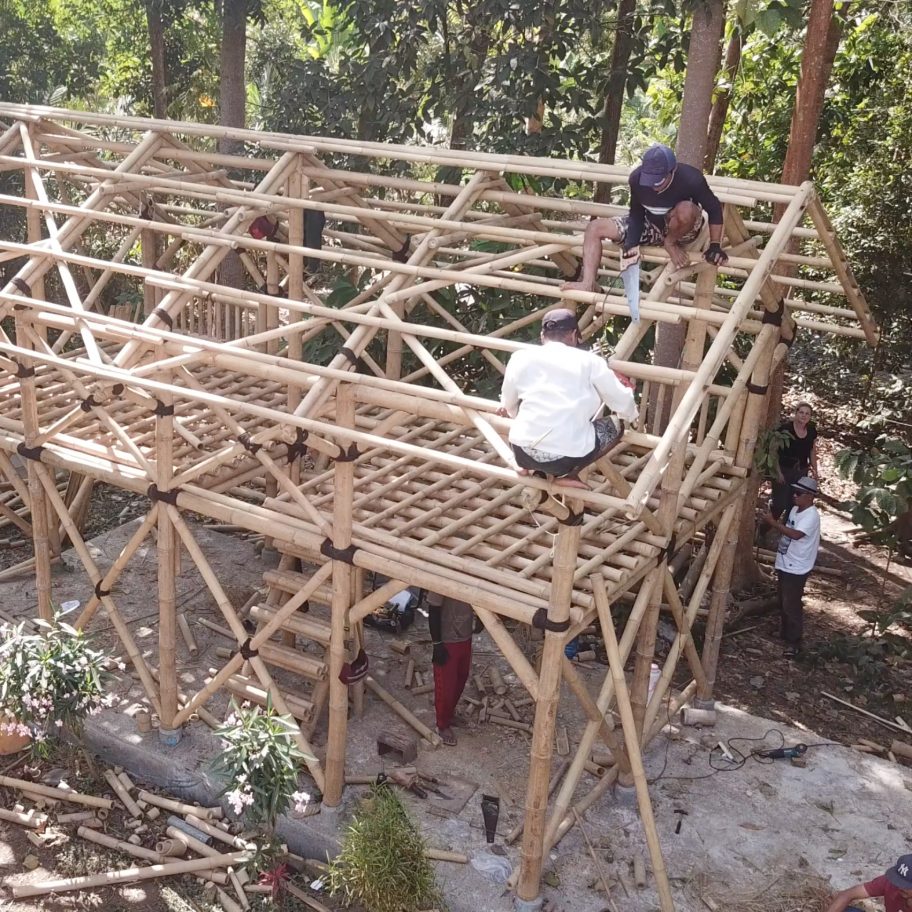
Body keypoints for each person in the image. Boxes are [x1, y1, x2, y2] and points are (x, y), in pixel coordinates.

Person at [499, 308, 638, 489]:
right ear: (573, 335)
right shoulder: (590, 362)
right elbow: (623, 404)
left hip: (520, 449)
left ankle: (525, 466)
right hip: (564, 459)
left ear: (542, 336)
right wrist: (631, 412)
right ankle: (568, 474)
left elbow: (509, 404)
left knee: (525, 419)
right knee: (616, 426)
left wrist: (514, 413)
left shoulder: (520, 357)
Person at [562, 142, 728, 293]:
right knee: (594, 227)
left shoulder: (692, 179)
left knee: (686, 209)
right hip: (652, 225)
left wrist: (715, 246)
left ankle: (670, 242)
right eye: (651, 181)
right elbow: (636, 213)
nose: (654, 186)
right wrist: (631, 244)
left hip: (684, 229)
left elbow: (714, 209)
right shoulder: (636, 179)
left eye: (659, 181)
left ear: (672, 171)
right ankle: (588, 283)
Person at [759, 476, 821, 658]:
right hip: (786, 561)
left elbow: (795, 534)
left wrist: (772, 523)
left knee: (791, 604)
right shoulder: (795, 509)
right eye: (794, 491)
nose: (795, 495)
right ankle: (784, 632)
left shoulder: (811, 516)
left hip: (798, 566)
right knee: (782, 600)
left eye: (799, 493)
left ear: (809, 496)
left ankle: (794, 642)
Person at [427, 591, 476, 747]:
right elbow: (433, 610)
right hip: (448, 638)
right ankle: (442, 724)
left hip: (465, 635)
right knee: (446, 685)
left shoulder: (474, 573)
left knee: (461, 677)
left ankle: (449, 714)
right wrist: (437, 644)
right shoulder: (442, 575)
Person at [770, 401, 819, 520]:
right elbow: (773, 451)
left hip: (801, 471)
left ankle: (787, 532)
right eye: (801, 412)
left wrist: (815, 470)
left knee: (796, 503)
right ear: (796, 413)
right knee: (779, 504)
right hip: (784, 470)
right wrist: (778, 472)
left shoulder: (811, 431)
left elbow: (812, 450)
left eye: (807, 413)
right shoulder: (785, 429)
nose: (804, 415)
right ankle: (764, 529)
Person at [825, 853, 912, 911]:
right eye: (898, 881)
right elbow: (847, 894)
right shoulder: (889, 883)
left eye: (907, 885)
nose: (900, 887)